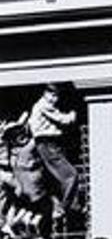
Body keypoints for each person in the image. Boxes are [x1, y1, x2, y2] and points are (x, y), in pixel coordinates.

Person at [28, 84, 80, 216]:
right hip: (47, 143)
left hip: (49, 143)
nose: (54, 99)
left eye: (56, 95)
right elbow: (63, 120)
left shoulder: (41, 106)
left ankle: (68, 205)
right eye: (52, 94)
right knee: (70, 175)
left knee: (59, 178)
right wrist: (74, 113)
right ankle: (66, 207)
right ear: (45, 93)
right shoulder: (43, 105)